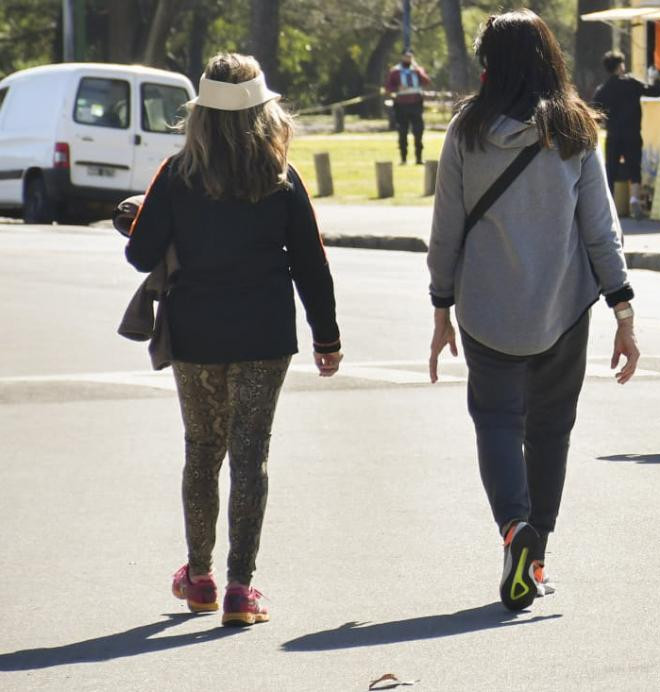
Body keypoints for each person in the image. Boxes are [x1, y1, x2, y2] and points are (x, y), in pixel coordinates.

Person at [427, 9, 639, 612]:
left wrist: (442, 304)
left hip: (486, 310)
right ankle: (537, 552)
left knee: (496, 422)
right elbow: (601, 231)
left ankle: (514, 527)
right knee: (551, 430)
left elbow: (446, 229)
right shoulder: (574, 129)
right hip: (564, 309)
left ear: (489, 65)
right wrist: (623, 312)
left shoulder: (466, 131)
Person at [126, 52, 342, 627]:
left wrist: (140, 216)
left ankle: (199, 579)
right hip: (265, 335)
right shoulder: (280, 176)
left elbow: (140, 254)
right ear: (263, 114)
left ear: (199, 115)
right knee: (251, 457)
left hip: (195, 333)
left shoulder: (176, 175)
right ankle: (241, 589)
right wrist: (328, 337)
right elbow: (311, 265)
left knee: (202, 451)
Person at [591, 50, 660, 217]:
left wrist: (603, 122)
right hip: (632, 133)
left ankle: (608, 205)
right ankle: (634, 202)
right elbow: (655, 91)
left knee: (611, 169)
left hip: (614, 134)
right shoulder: (631, 83)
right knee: (634, 167)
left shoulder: (604, 88)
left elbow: (593, 109)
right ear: (620, 66)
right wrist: (656, 77)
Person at [385, 51, 431, 164]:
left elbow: (426, 81)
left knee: (418, 131)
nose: (408, 58)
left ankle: (419, 158)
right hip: (401, 105)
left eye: (410, 56)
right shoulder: (395, 71)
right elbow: (388, 87)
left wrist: (418, 70)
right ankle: (403, 158)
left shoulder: (417, 69)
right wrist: (397, 88)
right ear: (402, 57)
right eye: (406, 56)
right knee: (402, 131)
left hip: (416, 104)